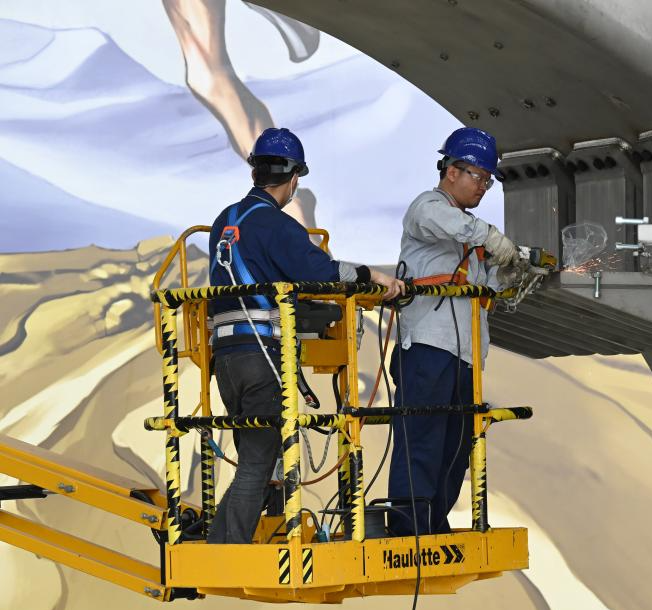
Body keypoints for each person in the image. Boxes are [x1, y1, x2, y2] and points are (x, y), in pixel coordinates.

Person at [207, 127, 404, 544]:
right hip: (261, 354)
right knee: (259, 463)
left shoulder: (224, 221)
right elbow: (321, 273)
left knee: (254, 459)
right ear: (294, 177)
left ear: (256, 171)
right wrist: (371, 276)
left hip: (225, 356)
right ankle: (226, 549)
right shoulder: (276, 225)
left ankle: (221, 542)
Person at [387, 127, 521, 536]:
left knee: (456, 444)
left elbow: (487, 291)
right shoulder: (428, 208)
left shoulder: (467, 233)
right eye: (477, 176)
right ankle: (410, 524)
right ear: (451, 171)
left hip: (464, 355)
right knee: (423, 435)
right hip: (428, 346)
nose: (482, 186)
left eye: (487, 180)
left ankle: (434, 521)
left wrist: (512, 273)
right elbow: (444, 223)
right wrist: (493, 239)